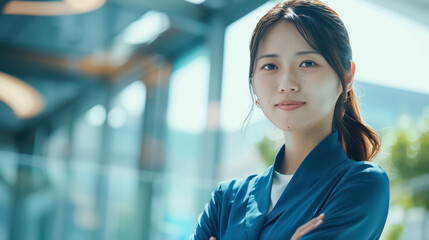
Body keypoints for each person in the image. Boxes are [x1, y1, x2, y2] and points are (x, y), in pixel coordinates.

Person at [191, 0, 390, 239]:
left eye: (307, 63)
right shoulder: (225, 200)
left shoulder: (360, 185)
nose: (287, 84)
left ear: (346, 77)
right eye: (270, 66)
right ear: (253, 82)